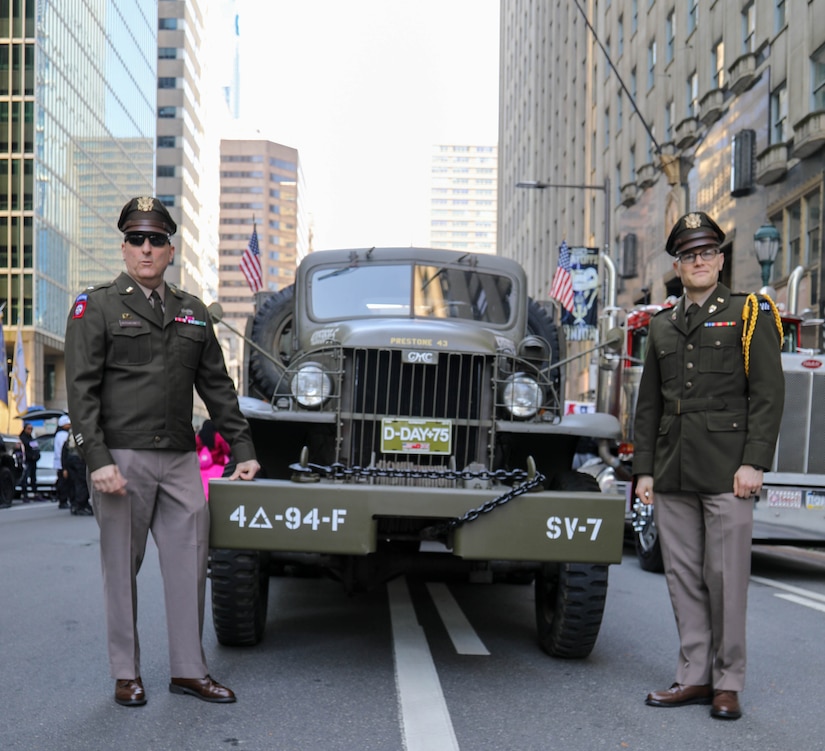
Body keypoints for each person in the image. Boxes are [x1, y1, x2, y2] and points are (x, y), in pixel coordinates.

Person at [64, 196, 260, 708]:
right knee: (120, 571)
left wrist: (242, 447)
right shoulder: (97, 305)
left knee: (190, 564)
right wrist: (97, 459)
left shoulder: (192, 312)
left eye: (155, 240)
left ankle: (188, 671)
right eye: (136, 239)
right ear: (124, 248)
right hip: (121, 459)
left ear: (170, 250)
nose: (145, 249)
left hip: (179, 460)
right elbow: (81, 391)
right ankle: (126, 673)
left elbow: (217, 387)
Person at [632, 211, 785, 721]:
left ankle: (728, 682)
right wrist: (645, 472)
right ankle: (693, 675)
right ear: (678, 265)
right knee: (683, 578)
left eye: (707, 253)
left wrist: (754, 462)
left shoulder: (749, 313)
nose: (699, 261)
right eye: (689, 255)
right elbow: (649, 405)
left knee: (726, 579)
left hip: (728, 471)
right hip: (673, 471)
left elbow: (767, 395)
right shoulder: (661, 325)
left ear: (721, 259)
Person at [62, 424, 94, 516]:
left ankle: (77, 504)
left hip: (71, 457)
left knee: (76, 482)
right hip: (78, 458)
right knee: (82, 482)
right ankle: (80, 504)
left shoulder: (72, 431)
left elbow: (65, 448)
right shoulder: (81, 429)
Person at [195, 419, 232, 499]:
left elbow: (196, 449)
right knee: (214, 489)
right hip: (217, 466)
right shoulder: (217, 436)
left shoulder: (199, 436)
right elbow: (226, 449)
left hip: (202, 468)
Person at [18, 423, 42, 502]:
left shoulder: (31, 438)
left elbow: (35, 448)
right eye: (28, 428)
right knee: (25, 478)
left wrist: (37, 455)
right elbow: (23, 450)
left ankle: (35, 493)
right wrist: (30, 456)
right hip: (27, 461)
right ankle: (24, 494)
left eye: (31, 429)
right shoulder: (22, 439)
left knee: (33, 478)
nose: (30, 430)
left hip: (33, 461)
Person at [53, 415, 72, 509]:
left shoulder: (59, 434)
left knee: (63, 482)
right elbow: (63, 450)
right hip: (62, 462)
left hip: (60, 462)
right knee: (64, 483)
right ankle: (63, 500)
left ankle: (63, 499)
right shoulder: (63, 435)